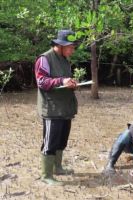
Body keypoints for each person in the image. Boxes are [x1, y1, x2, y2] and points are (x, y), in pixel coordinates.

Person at [35, 29, 78, 185]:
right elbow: (41, 82)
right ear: (60, 45)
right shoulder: (45, 59)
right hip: (52, 109)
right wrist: (62, 81)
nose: (73, 50)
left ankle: (58, 167)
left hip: (65, 108)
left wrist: (71, 84)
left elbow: (63, 81)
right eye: (71, 47)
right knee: (50, 143)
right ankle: (46, 175)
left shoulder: (65, 59)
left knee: (61, 141)